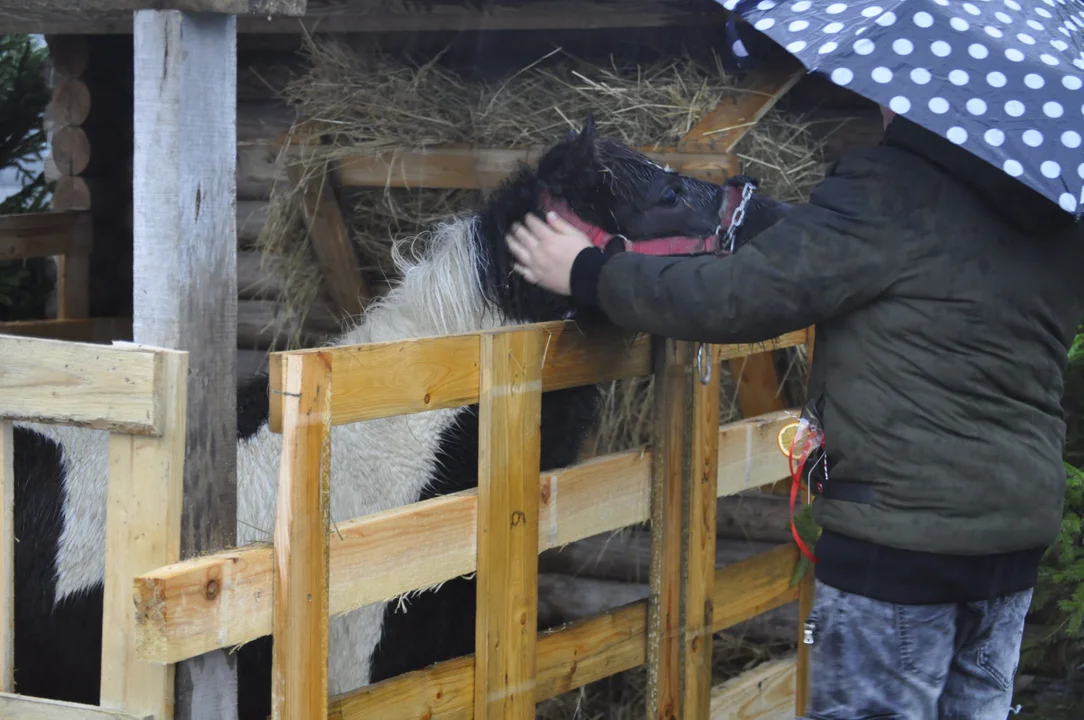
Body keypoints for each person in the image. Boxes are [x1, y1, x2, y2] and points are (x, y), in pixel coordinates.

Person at [506, 108, 1084, 719]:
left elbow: (736, 298)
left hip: (899, 545)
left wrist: (589, 270)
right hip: (1011, 538)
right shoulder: (1055, 210)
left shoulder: (893, 190)